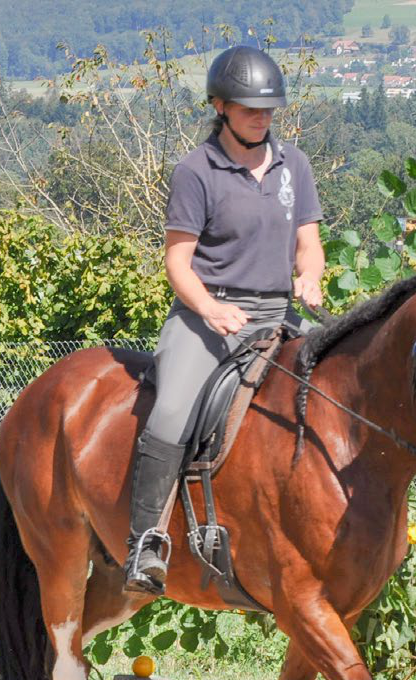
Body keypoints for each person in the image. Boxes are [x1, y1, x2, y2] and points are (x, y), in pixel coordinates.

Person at [124, 45, 325, 595]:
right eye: (249, 109)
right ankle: (146, 542)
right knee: (170, 411)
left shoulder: (295, 166)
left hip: (277, 313)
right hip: (208, 315)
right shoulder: (196, 171)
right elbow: (176, 263)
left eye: (268, 110)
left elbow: (310, 244)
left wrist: (308, 278)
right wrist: (210, 309)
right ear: (220, 107)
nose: (261, 119)